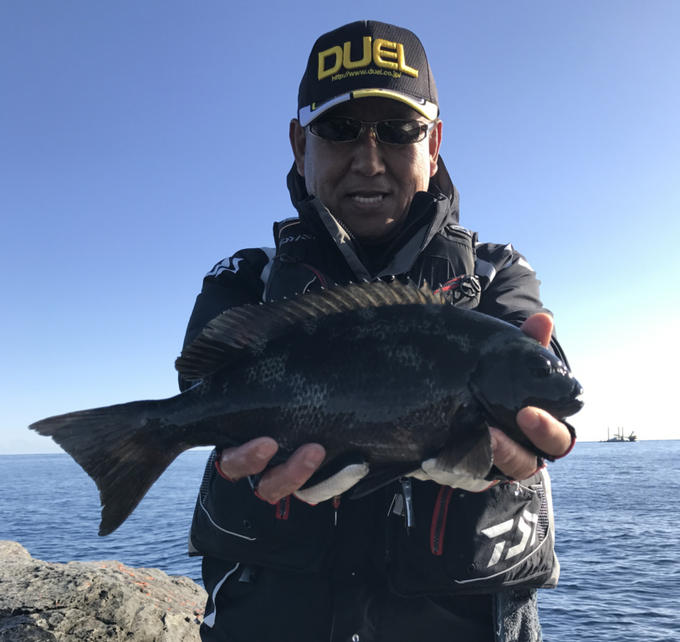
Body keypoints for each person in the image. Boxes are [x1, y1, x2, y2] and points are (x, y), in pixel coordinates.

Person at [180, 20, 575, 642]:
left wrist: (530, 445)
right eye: (338, 130)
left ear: (434, 143)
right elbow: (203, 381)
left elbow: (537, 384)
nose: (369, 160)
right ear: (299, 145)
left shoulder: (497, 273)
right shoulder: (248, 278)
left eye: (398, 131)